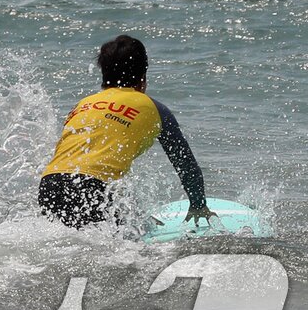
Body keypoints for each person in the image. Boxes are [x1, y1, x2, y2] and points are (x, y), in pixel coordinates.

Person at [37, 35, 214, 229]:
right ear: (143, 76)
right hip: (94, 187)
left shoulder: (83, 105)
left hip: (50, 184)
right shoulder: (155, 109)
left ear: (103, 74)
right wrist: (198, 205)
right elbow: (185, 164)